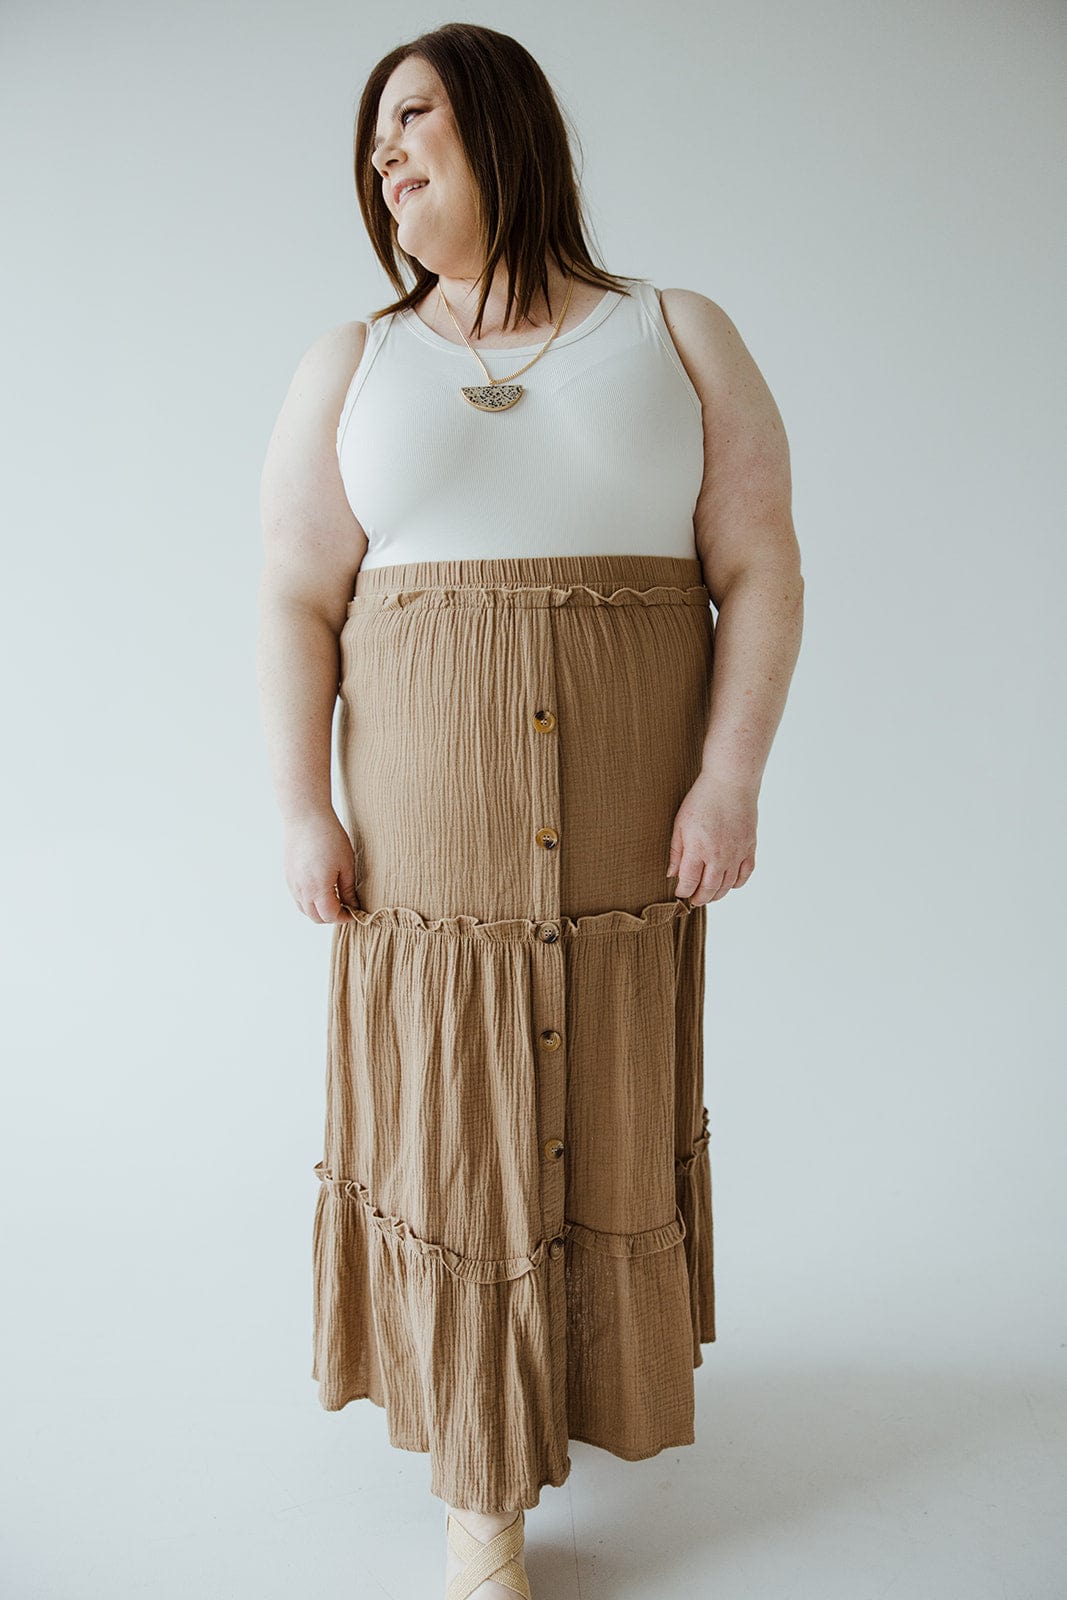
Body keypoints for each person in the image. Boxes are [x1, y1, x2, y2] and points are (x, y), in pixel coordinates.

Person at [257, 21, 803, 1600]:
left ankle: (574, 1396)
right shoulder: (350, 362)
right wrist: (301, 808)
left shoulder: (674, 330)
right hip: (431, 859)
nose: (388, 156)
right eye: (373, 144)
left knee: (597, 1099)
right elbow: (297, 598)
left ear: (504, 125)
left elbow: (760, 567)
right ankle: (482, 1488)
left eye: (413, 119)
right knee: (455, 1123)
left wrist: (731, 774)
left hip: (635, 837)